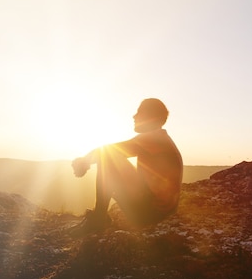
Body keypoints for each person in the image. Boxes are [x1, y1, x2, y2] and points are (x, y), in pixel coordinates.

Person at [71, 98, 183, 232]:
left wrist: (83, 162)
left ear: (151, 117)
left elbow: (108, 150)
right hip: (160, 210)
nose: (134, 116)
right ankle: (99, 217)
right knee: (111, 158)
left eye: (139, 112)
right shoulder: (160, 138)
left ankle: (98, 219)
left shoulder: (154, 138)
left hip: (150, 214)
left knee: (108, 159)